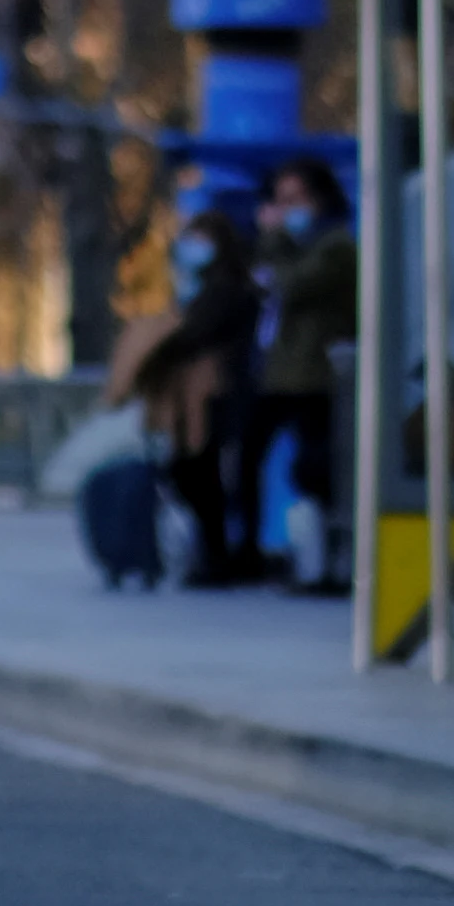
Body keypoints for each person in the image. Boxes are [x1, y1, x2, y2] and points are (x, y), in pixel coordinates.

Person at [119, 204, 263, 586]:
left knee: (204, 474)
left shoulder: (228, 290)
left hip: (219, 394)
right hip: (203, 398)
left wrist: (149, 361)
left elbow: (193, 337)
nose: (193, 247)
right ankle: (216, 554)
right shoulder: (198, 289)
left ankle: (222, 557)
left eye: (202, 239)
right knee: (196, 473)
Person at [252, 160, 354, 588]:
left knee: (317, 467)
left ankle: (328, 563)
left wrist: (274, 239)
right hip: (279, 373)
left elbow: (289, 283)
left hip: (316, 376)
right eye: (279, 201)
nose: (284, 211)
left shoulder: (335, 247)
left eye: (295, 200)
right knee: (254, 457)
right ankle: (263, 551)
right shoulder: (293, 247)